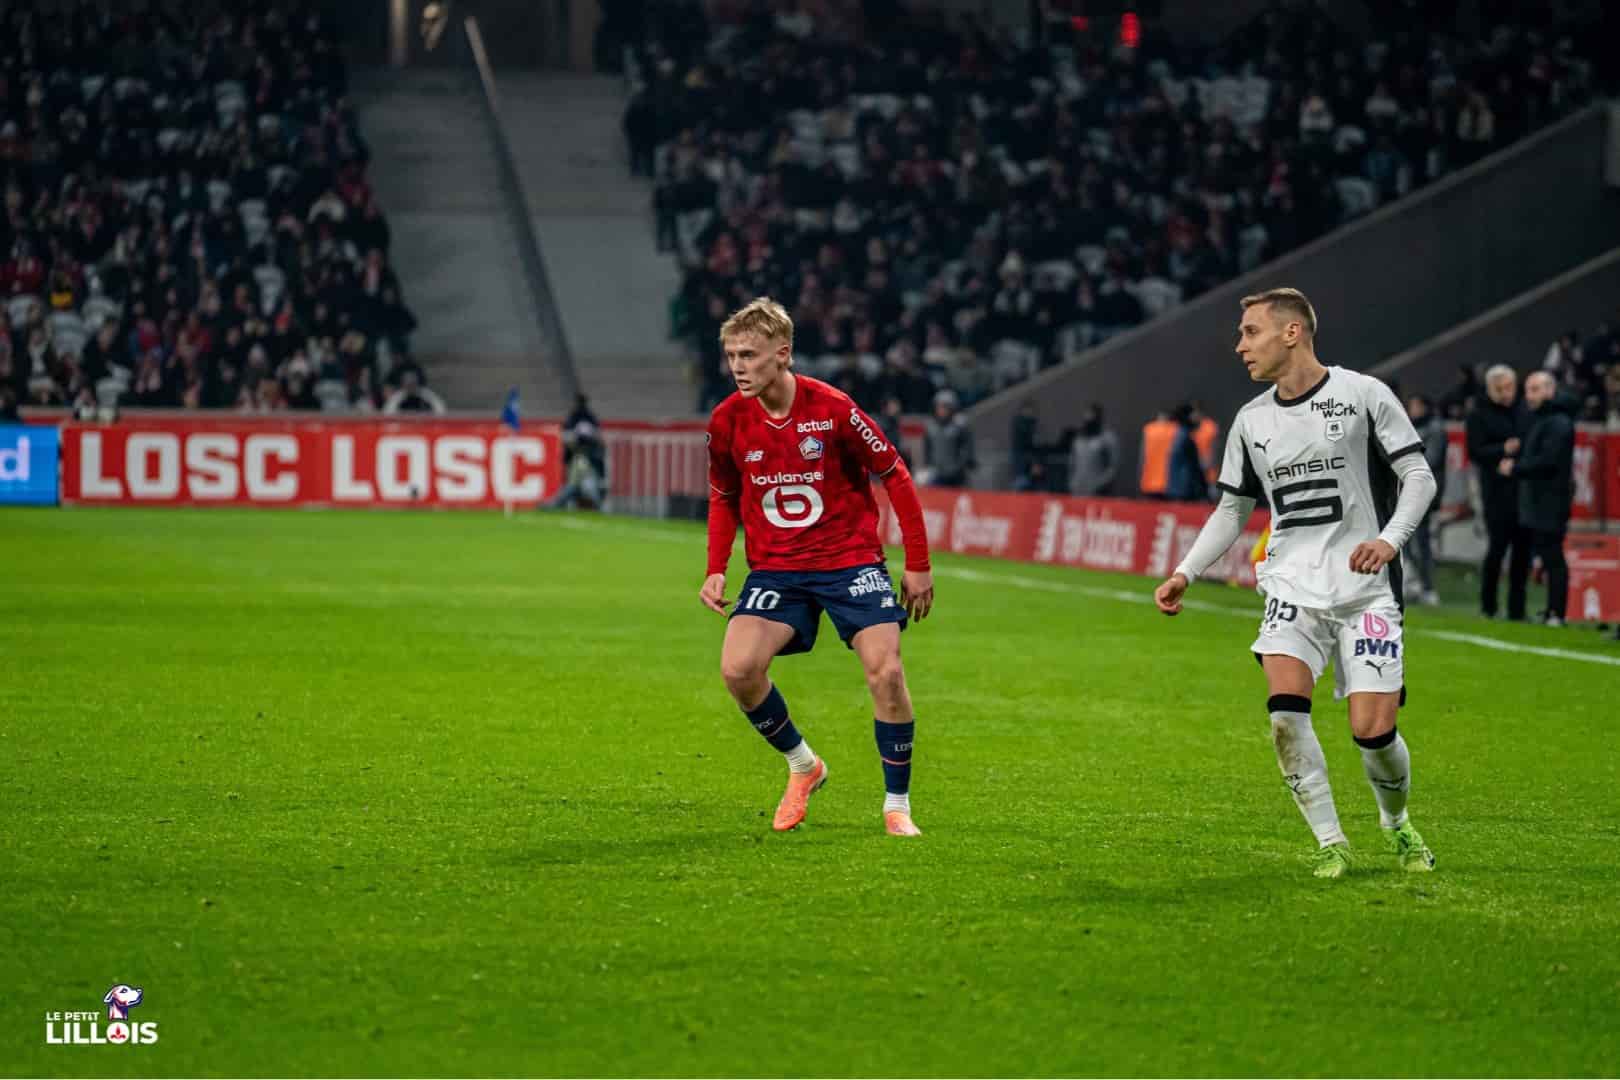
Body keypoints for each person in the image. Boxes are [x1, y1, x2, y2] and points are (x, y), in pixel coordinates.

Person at [1152, 287, 1439, 879]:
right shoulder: (1251, 421)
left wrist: (1389, 540)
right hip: (1290, 588)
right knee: (1285, 714)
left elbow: (1418, 475)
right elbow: (1232, 510)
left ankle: (1395, 823)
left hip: (1365, 590)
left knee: (1373, 731)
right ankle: (1330, 841)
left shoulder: (1362, 395)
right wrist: (1186, 571)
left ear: (1292, 333)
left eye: (1250, 332)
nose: (1239, 346)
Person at [701, 298, 934, 837]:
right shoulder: (726, 420)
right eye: (731, 354)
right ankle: (805, 766)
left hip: (850, 562)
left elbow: (895, 474)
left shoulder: (833, 408)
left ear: (782, 355)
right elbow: (722, 494)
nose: (738, 366)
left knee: (887, 672)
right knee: (738, 669)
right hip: (777, 570)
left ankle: (896, 804)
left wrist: (917, 564)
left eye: (749, 354)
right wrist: (717, 566)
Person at [1500, 371, 1575, 626]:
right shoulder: (1542, 420)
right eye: (1528, 389)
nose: (1529, 396)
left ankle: (1557, 613)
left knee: (1554, 557)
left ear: (1549, 391)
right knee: (1545, 555)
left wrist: (1517, 467)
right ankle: (1551, 609)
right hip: (1537, 501)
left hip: (1551, 501)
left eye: (1535, 390)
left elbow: (1548, 461)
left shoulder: (1559, 422)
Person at [1465, 365, 1529, 619]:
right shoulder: (1478, 414)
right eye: (1499, 388)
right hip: (1495, 491)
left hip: (1522, 489)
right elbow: (1475, 451)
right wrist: (1503, 449)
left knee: (1522, 550)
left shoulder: (1524, 410)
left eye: (1509, 387)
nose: (1505, 393)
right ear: (1490, 389)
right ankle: (1489, 605)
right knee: (1497, 548)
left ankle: (1517, 608)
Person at [1403, 394, 1446, 605]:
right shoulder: (1410, 426)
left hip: (1424, 492)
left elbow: (1430, 460)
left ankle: (1428, 587)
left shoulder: (1435, 429)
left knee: (1421, 541)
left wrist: (1404, 466)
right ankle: (1414, 584)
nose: (1413, 409)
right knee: (1406, 540)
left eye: (1416, 405)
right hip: (1407, 491)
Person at [921, 389, 975, 487]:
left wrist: (960, 466)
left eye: (945, 407)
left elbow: (966, 449)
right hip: (937, 473)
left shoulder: (960, 426)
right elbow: (927, 448)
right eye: (939, 407)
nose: (941, 410)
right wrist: (927, 465)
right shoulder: (931, 427)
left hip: (957, 474)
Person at [1069, 403, 1119, 496]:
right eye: (1086, 418)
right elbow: (1072, 461)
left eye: (1092, 418)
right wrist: (1072, 482)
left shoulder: (1108, 438)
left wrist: (1099, 484)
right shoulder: (1079, 438)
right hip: (1077, 489)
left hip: (1098, 491)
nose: (1089, 421)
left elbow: (1113, 467)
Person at [1165, 403, 1208, 501]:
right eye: (1196, 414)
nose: (1199, 418)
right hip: (1184, 491)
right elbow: (1194, 468)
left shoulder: (1180, 435)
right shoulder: (1185, 438)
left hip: (1177, 489)